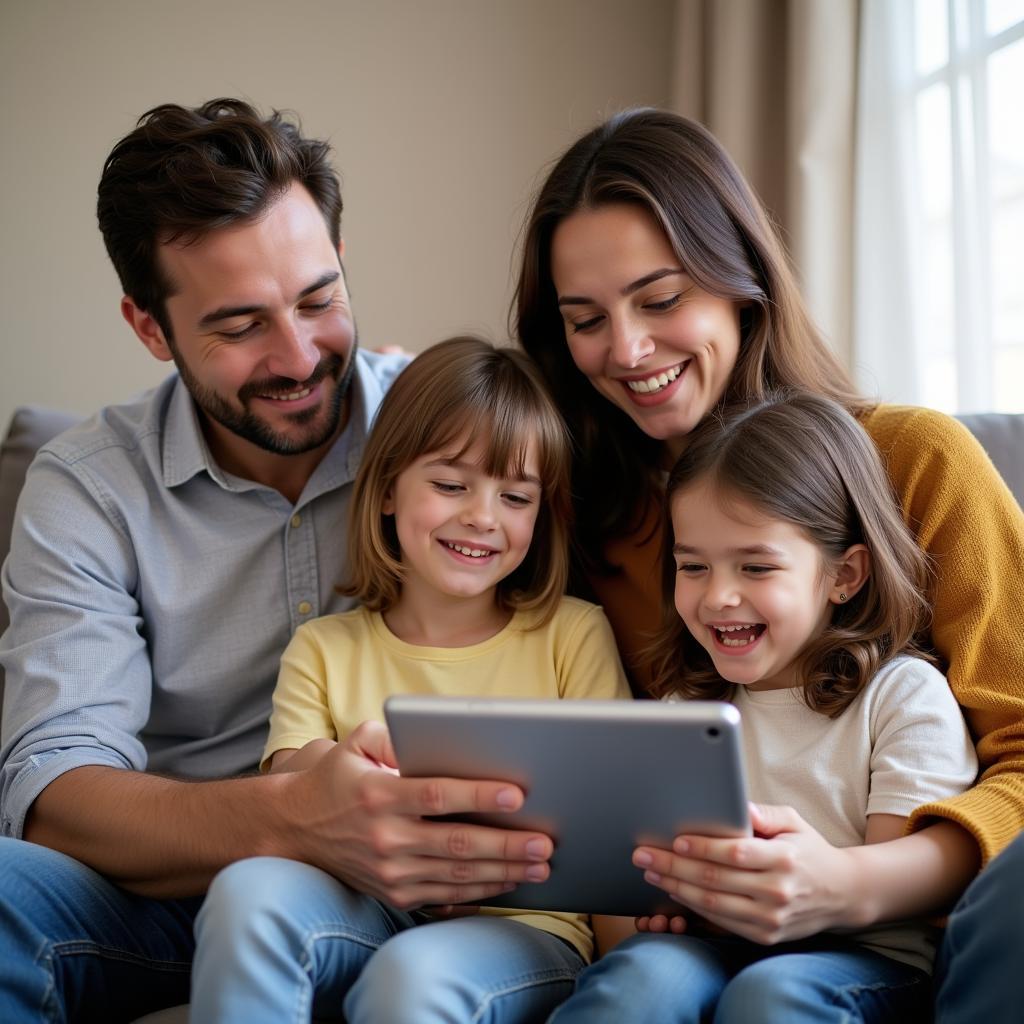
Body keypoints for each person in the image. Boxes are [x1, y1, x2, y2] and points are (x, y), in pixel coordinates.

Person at [0, 100, 554, 1022]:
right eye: (239, 324)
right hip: (165, 897)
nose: (298, 356)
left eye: (318, 299)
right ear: (149, 327)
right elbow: (54, 792)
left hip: (424, 900)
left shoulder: (448, 444)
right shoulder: (87, 489)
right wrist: (296, 817)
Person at [514, 107, 1024, 1023]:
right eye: (585, 320)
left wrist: (855, 886)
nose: (626, 351)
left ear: (741, 282)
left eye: (661, 300)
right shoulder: (584, 517)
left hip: (886, 932)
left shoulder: (916, 460)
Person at [187, 336, 631, 1023]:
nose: (482, 516)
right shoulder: (323, 647)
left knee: (413, 973)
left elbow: (611, 821)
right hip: (371, 906)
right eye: (451, 485)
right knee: (248, 889)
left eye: (515, 496)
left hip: (527, 931)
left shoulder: (572, 634)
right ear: (390, 488)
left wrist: (630, 978)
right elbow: (294, 790)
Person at [549, 391, 977, 1022]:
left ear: (845, 575)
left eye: (755, 566)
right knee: (641, 978)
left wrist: (821, 884)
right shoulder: (682, 711)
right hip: (717, 946)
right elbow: (621, 913)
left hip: (864, 958)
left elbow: (897, 894)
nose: (718, 596)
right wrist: (659, 909)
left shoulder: (899, 695)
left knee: (770, 995)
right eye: (693, 566)